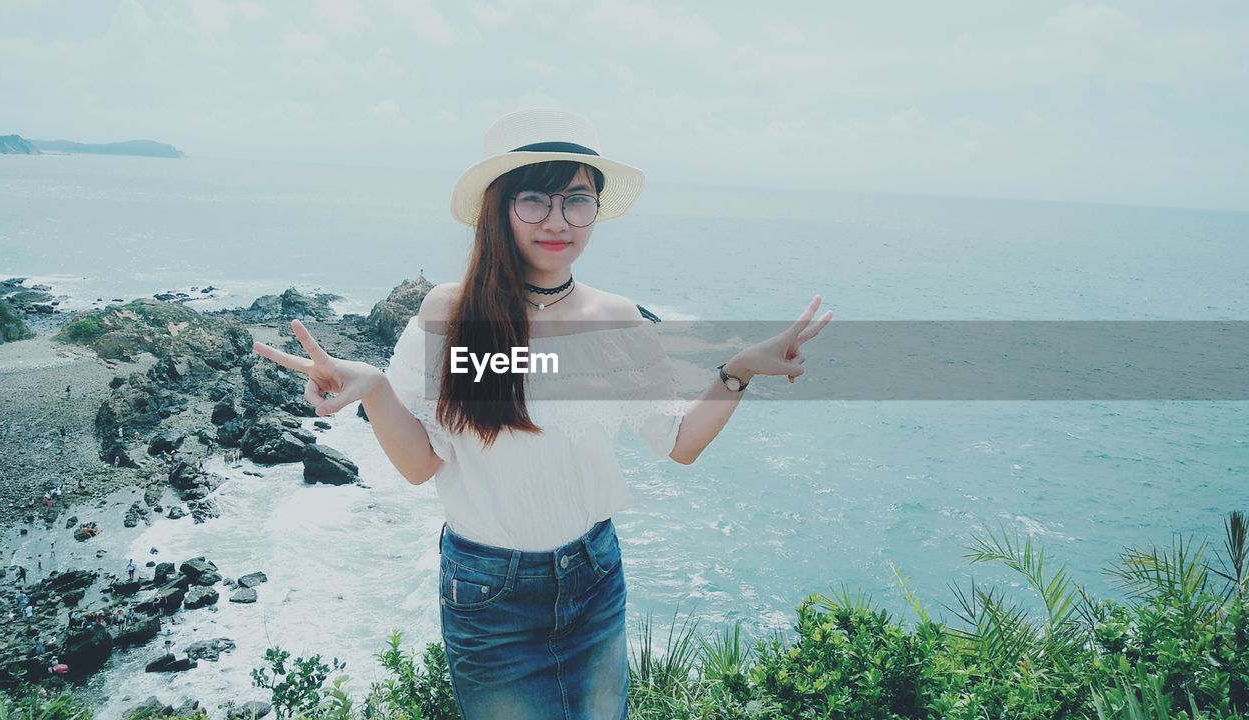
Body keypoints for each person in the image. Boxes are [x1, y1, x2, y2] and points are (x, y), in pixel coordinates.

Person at [251, 108, 831, 719]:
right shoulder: (450, 312)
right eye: (534, 199)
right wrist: (373, 388)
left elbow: (680, 441)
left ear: (596, 209)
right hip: (487, 592)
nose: (558, 221)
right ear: (500, 208)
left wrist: (737, 368)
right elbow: (421, 465)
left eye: (576, 200)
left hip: (594, 579)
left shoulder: (616, 319)